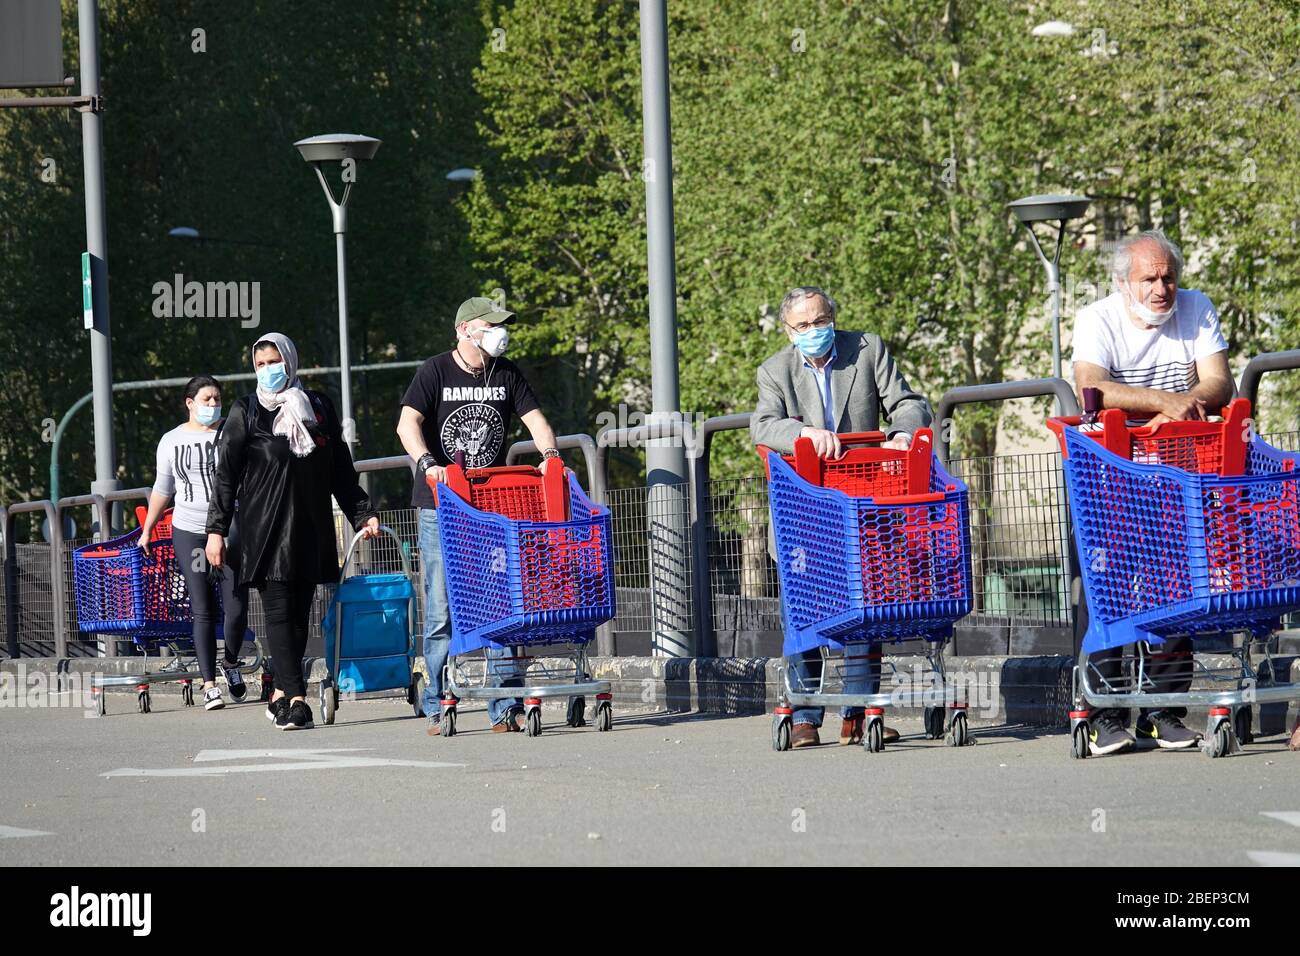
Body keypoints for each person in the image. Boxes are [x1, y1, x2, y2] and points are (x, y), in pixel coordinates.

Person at [1072, 229, 1234, 755]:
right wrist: (1166, 401)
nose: (1162, 288)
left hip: (1180, 474)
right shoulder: (1096, 319)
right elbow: (1093, 390)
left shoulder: (1197, 307)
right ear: (1123, 284)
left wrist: (1190, 399)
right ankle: (1105, 714)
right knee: (1110, 587)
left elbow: (1219, 382)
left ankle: (1163, 711)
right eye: (1150, 279)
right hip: (1110, 474)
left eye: (1169, 277)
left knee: (1178, 582)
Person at [752, 286, 932, 748]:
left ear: (833, 316)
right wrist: (806, 434)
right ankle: (806, 716)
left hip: (865, 496)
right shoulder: (774, 371)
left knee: (863, 601)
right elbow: (764, 425)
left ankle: (859, 711)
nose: (814, 331)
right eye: (803, 326)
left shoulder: (867, 350)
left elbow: (911, 402)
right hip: (806, 506)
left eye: (820, 320)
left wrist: (899, 434)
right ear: (789, 332)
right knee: (806, 607)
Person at [396, 296, 562, 735]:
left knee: (501, 601)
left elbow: (537, 421)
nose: (499, 333)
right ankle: (438, 701)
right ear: (466, 329)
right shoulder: (434, 371)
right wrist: (426, 462)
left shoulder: (506, 373)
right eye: (491, 325)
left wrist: (549, 455)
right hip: (441, 505)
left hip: (494, 506)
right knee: (443, 608)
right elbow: (406, 423)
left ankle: (504, 705)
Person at [206, 332, 379, 731]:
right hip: (264, 530)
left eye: (274, 361)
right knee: (279, 613)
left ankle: (281, 692)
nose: (268, 370)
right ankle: (298, 700)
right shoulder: (246, 410)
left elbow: (339, 468)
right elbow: (226, 476)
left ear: (290, 360)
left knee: (301, 616)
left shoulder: (317, 406)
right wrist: (215, 530)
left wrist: (362, 514)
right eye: (260, 364)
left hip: (310, 527)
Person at [140, 375, 250, 711]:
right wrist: (148, 528)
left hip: (230, 528)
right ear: (190, 403)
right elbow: (163, 489)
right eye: (207, 399)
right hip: (189, 531)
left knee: (236, 606)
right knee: (201, 607)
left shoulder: (230, 433)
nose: (214, 405)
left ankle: (230, 663)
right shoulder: (171, 441)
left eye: (217, 398)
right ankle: (209, 685)